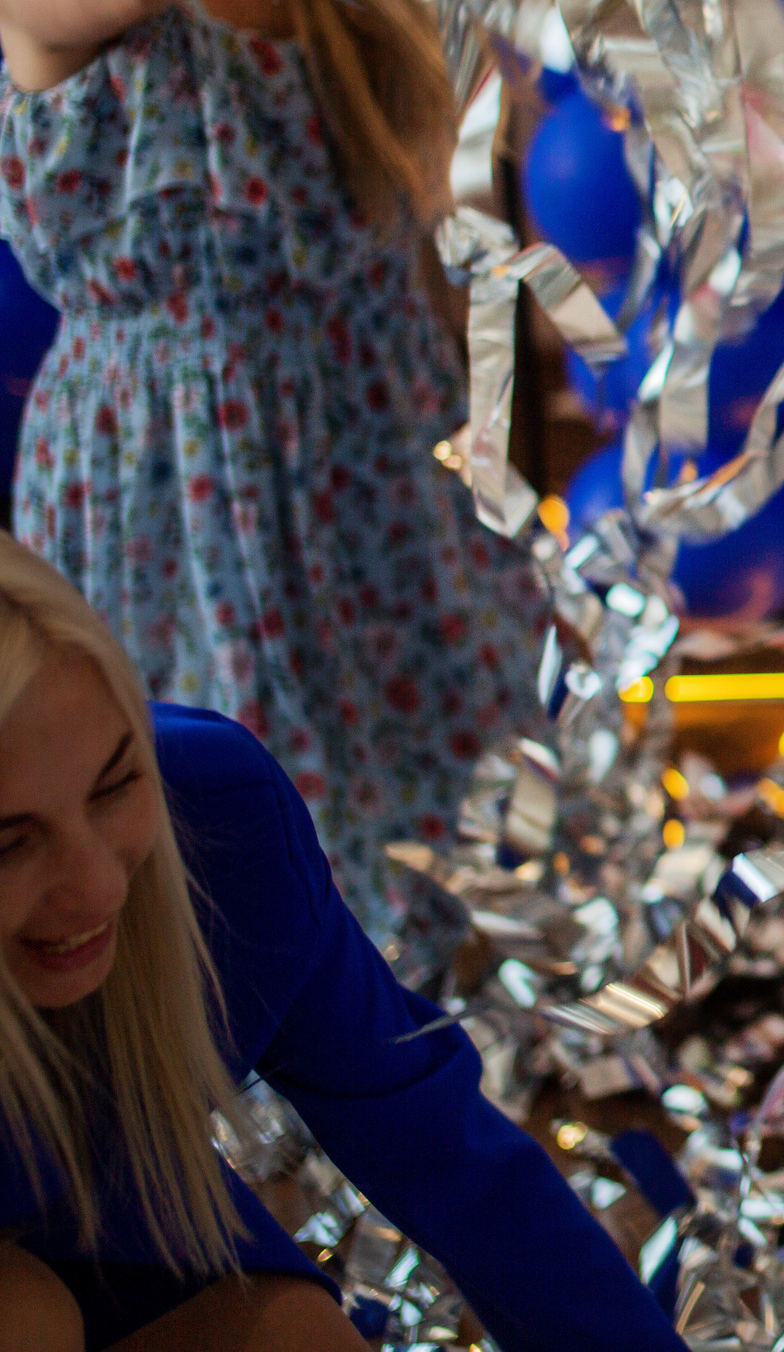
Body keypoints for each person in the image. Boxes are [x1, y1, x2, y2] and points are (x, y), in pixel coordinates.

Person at [0, 0, 543, 932]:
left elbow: (421, 235)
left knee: (431, 850)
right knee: (225, 860)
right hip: (172, 479)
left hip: (382, 464)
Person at [0, 533, 687, 1352]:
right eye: (9, 840)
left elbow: (442, 1148)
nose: (98, 888)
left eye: (116, 783)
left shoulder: (217, 819)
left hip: (118, 1218)